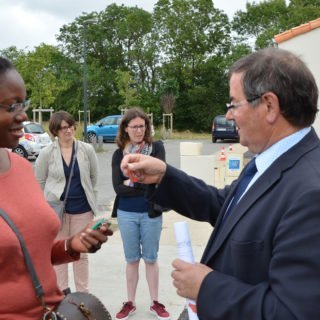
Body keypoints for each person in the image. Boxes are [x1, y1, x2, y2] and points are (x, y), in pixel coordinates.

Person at [120, 48, 320, 319]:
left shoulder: (311, 192)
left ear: (269, 106)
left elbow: (291, 312)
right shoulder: (271, 162)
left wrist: (206, 287)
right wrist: (164, 175)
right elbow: (225, 206)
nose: (228, 116)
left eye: (234, 104)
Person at [0, 57, 113, 319]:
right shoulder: (43, 159)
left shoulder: (21, 167)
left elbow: (31, 252)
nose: (24, 114)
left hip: (53, 311)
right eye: (12, 105)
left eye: (24, 102)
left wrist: (72, 245)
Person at [111, 107, 170, 320]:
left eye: (142, 126)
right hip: (126, 213)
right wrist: (144, 180)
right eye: (134, 126)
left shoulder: (156, 149)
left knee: (151, 259)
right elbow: (117, 187)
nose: (138, 130)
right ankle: (130, 302)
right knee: (132, 259)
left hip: (150, 212)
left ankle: (156, 303)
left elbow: (160, 177)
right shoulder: (119, 154)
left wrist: (132, 180)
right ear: (126, 129)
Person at [35, 111, 99, 294]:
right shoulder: (47, 153)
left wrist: (89, 198)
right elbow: (39, 180)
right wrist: (44, 206)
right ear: (55, 131)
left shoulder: (86, 149)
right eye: (63, 127)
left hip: (83, 210)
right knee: (59, 252)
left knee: (82, 253)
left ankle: (82, 294)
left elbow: (94, 177)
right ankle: (62, 293)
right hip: (56, 211)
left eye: (70, 125)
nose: (68, 130)